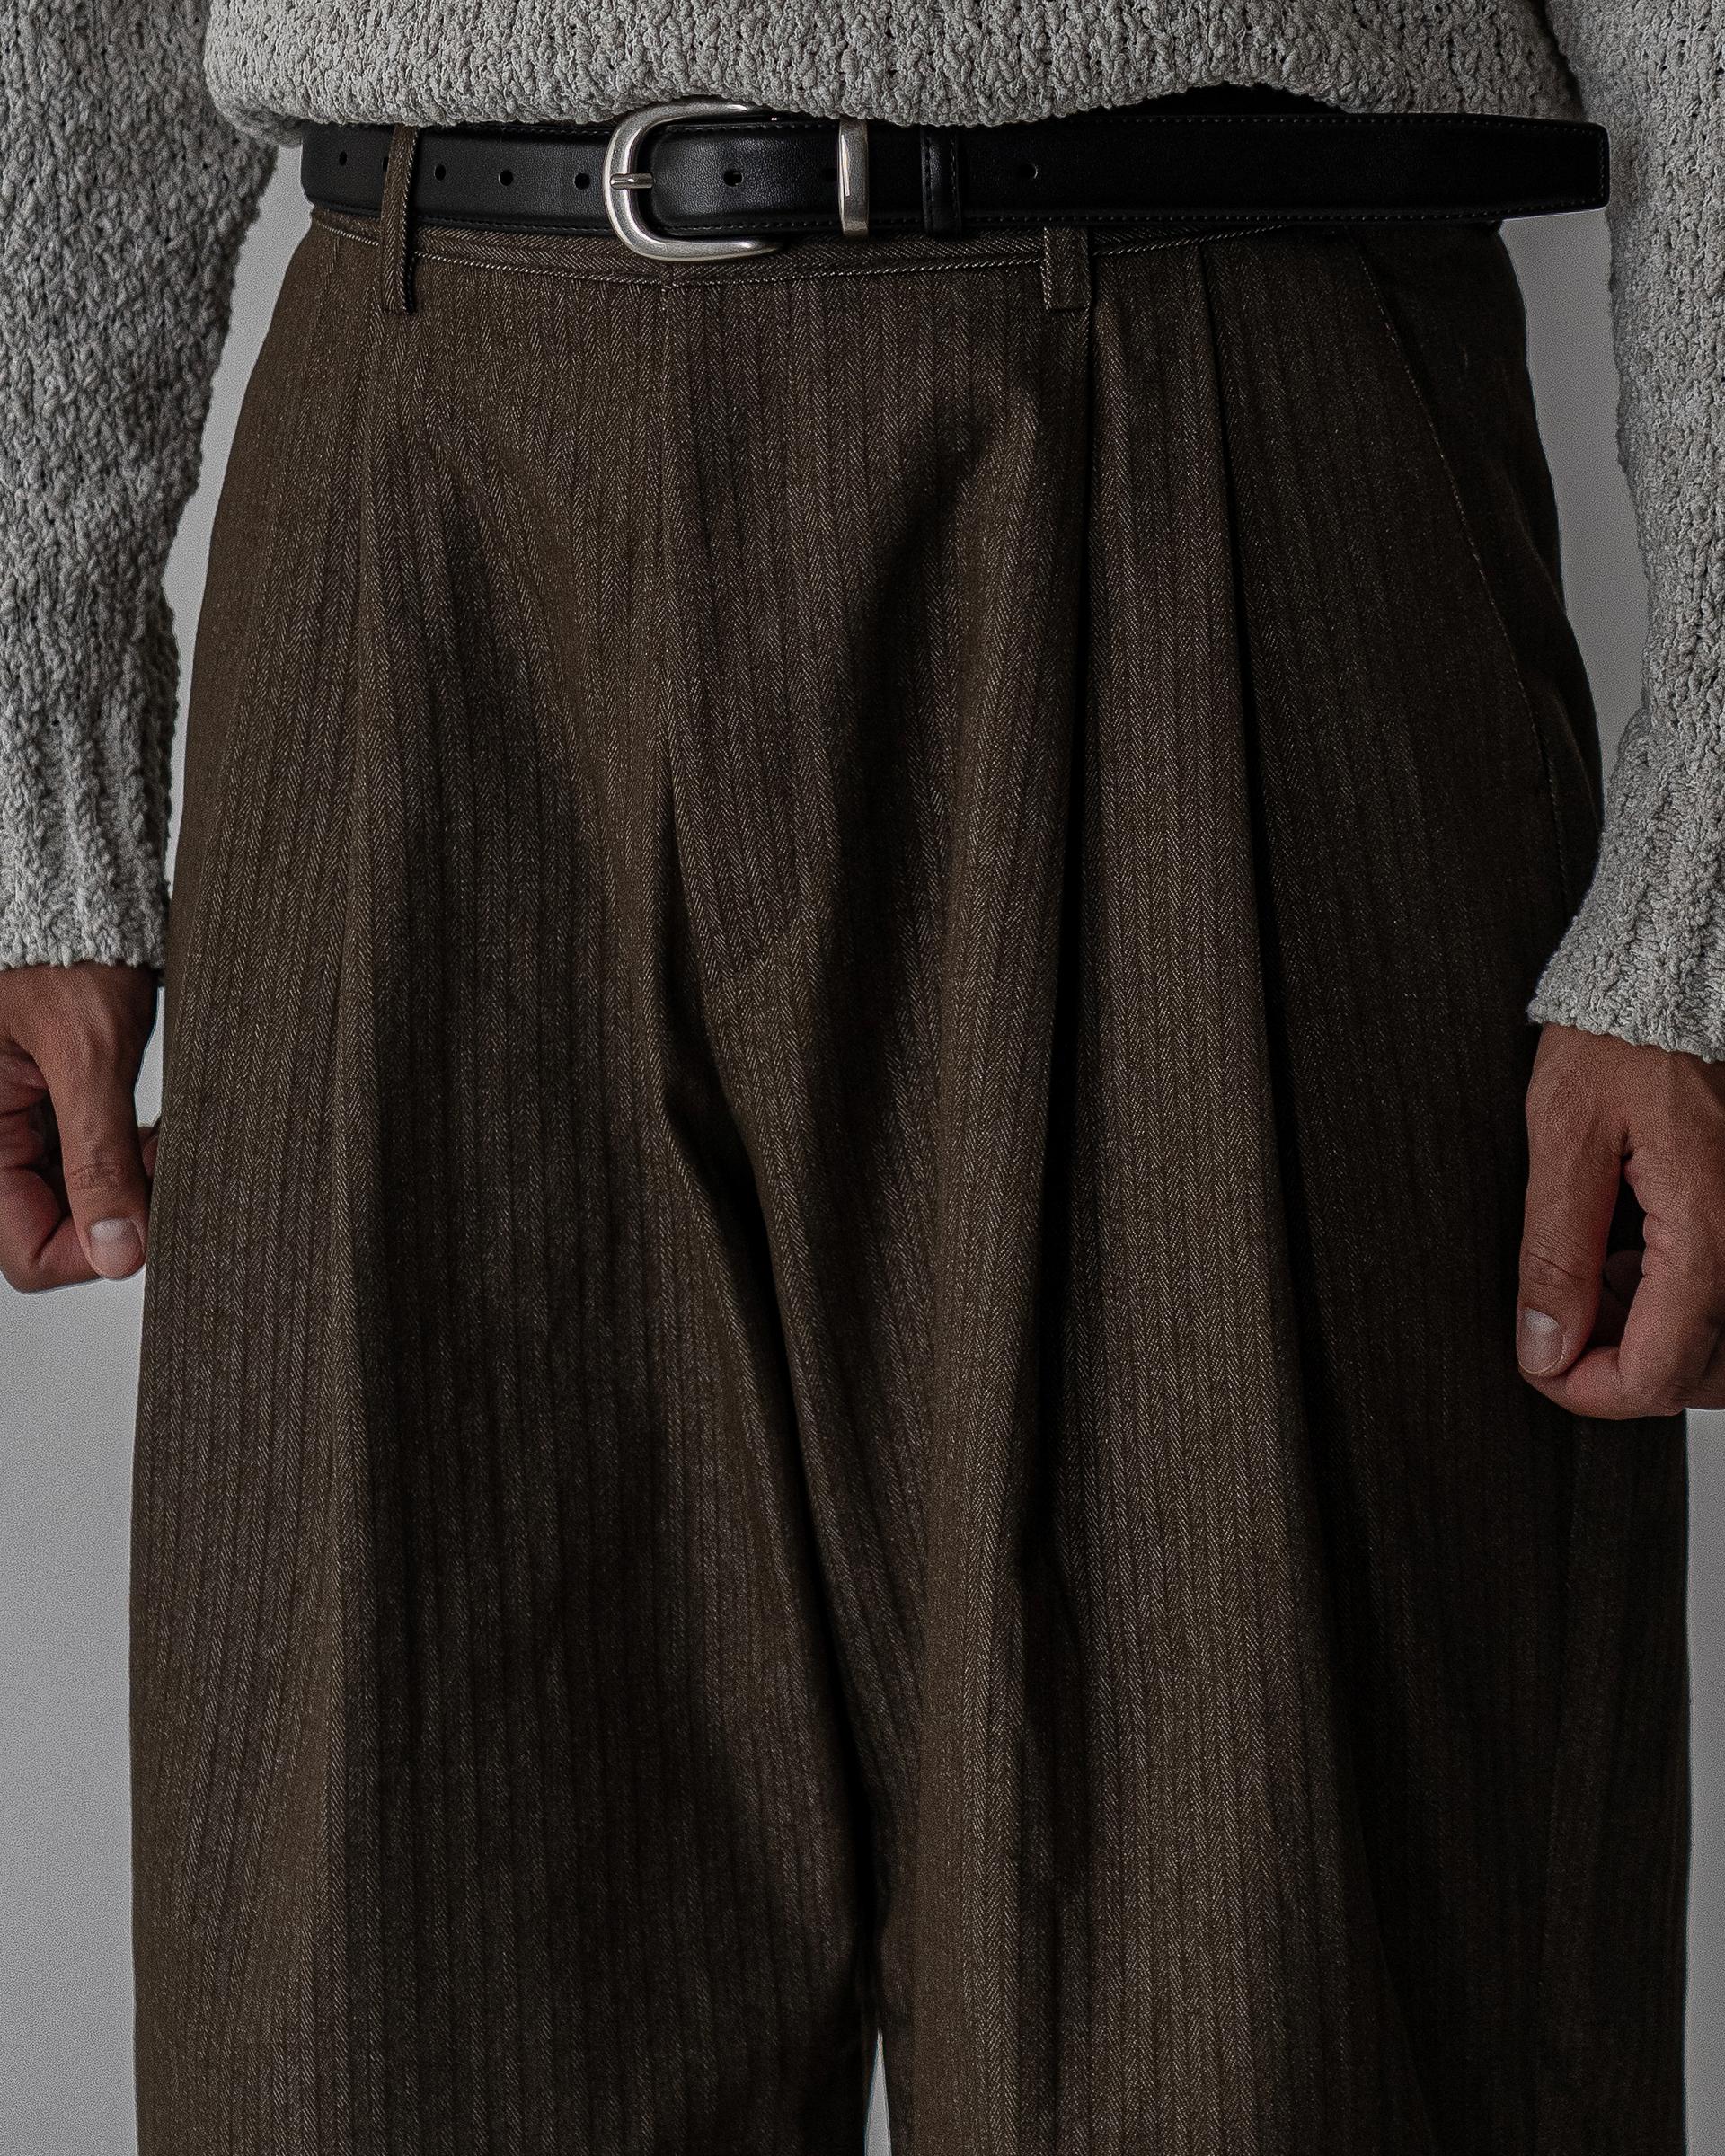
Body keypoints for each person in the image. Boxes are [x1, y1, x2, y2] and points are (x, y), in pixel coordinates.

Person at [0, 4, 1714, 2150]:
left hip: (1226, 439)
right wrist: (29, 768)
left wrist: (1703, 890)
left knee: (1268, 2012)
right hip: (426, 503)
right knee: (385, 2020)